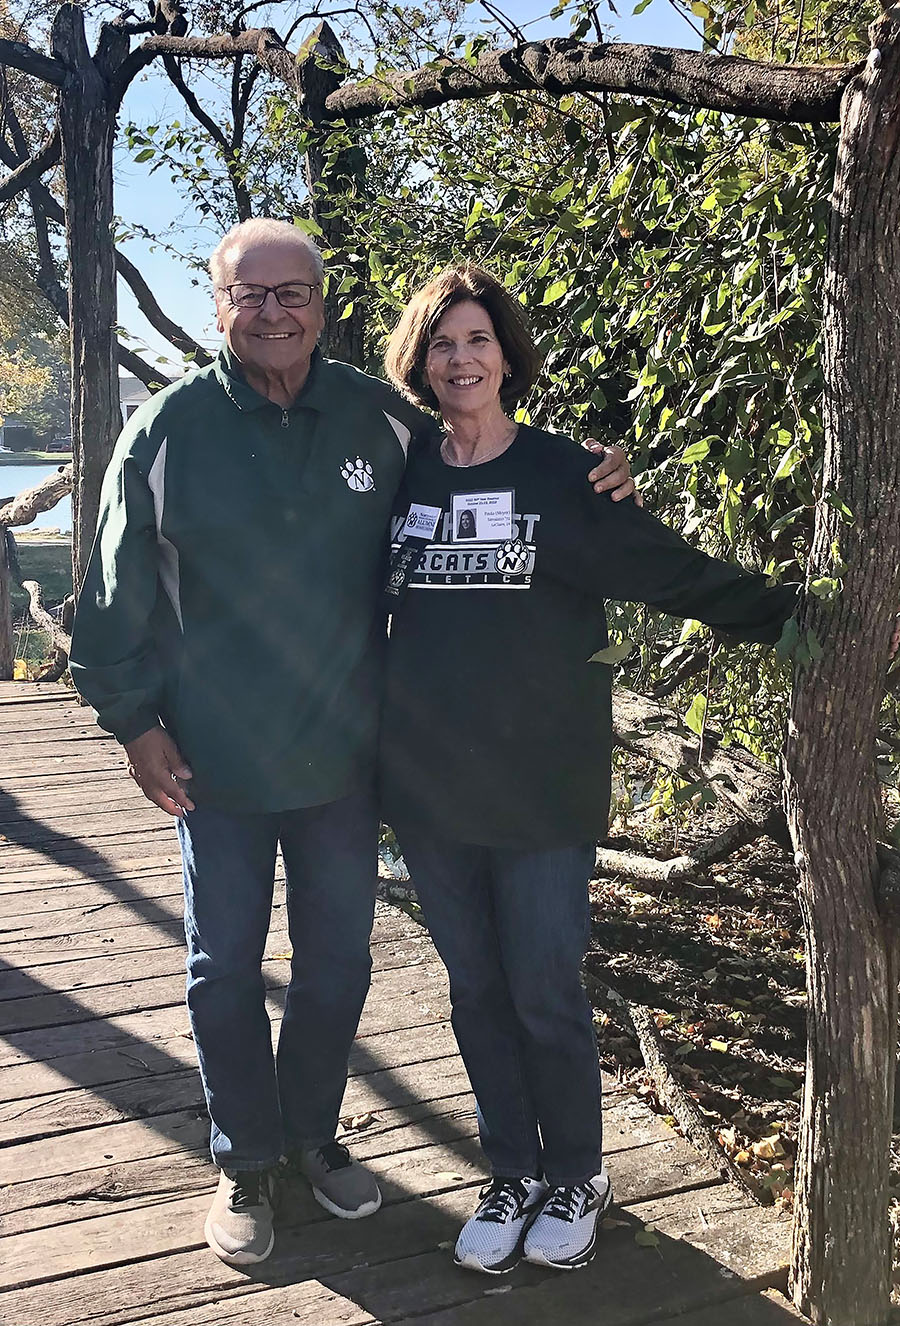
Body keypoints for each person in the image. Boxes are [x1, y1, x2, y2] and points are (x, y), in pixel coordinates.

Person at [68, 220, 635, 1267]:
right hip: (213, 764)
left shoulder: (380, 420)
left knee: (337, 965)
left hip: (346, 761)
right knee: (221, 967)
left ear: (324, 303)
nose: (274, 312)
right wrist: (136, 725)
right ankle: (246, 1161)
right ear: (219, 305)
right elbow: (109, 601)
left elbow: (486, 451)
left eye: (294, 293)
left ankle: (316, 1137)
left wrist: (592, 469)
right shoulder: (165, 432)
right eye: (253, 295)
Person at [379, 264, 800, 1276]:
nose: (461, 358)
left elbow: (671, 572)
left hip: (541, 790)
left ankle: (576, 1171)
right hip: (430, 789)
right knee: (474, 991)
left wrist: (801, 611)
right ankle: (511, 1170)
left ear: (507, 356)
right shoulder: (397, 475)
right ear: (420, 362)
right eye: (442, 343)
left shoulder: (570, 476)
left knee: (541, 990)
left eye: (478, 339)